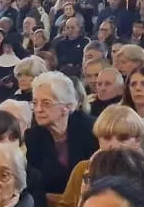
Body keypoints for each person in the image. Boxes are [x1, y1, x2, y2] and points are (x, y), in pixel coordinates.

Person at [23, 71, 97, 199]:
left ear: (67, 107)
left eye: (46, 103)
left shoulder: (91, 130)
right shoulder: (33, 137)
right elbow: (36, 185)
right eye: (34, 103)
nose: (38, 109)